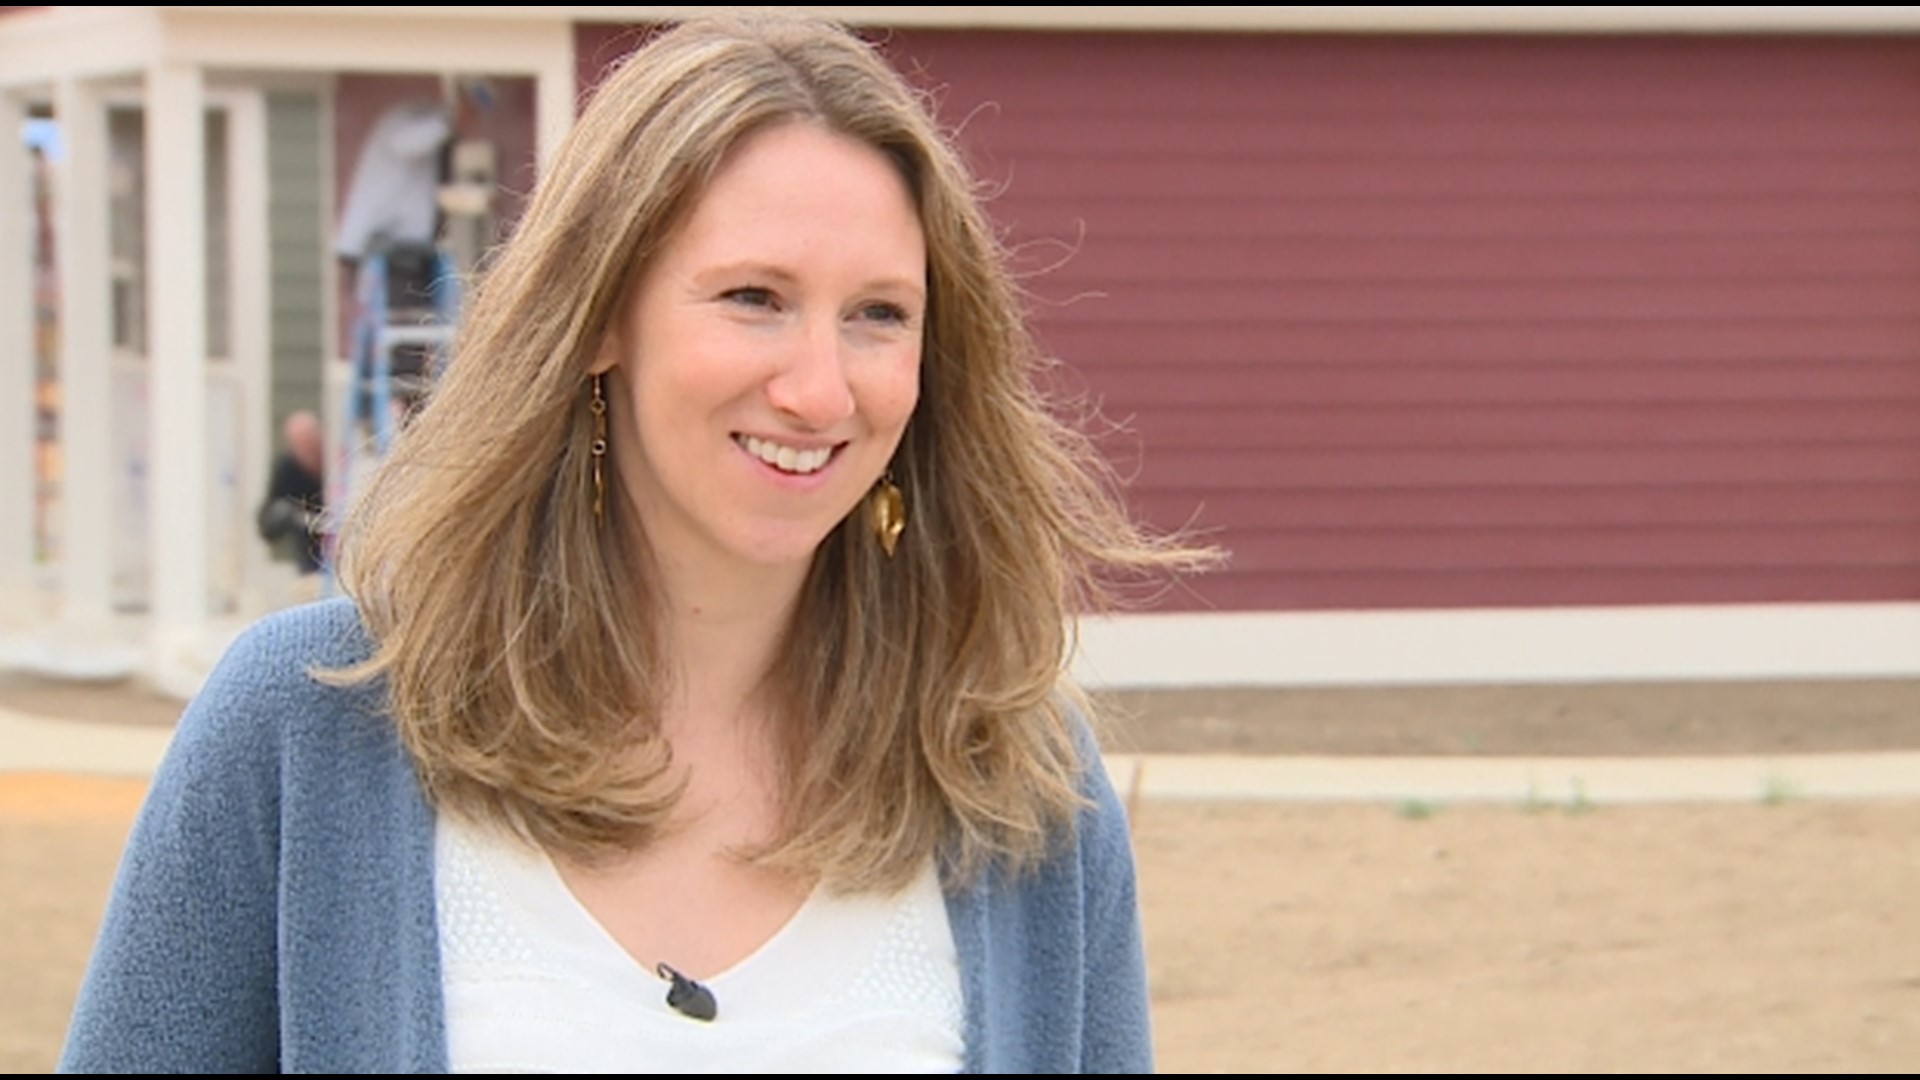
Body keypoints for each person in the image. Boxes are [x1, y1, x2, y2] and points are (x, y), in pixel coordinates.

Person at [60, 10, 1212, 1074]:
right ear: (603, 316)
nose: (819, 390)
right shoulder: (310, 726)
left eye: (878, 314)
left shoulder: (1019, 786)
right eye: (754, 296)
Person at [255, 408, 326, 575]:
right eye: (301, 447)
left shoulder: (340, 461)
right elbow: (266, 522)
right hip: (310, 557)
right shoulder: (288, 470)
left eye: (311, 444)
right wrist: (288, 515)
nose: (307, 453)